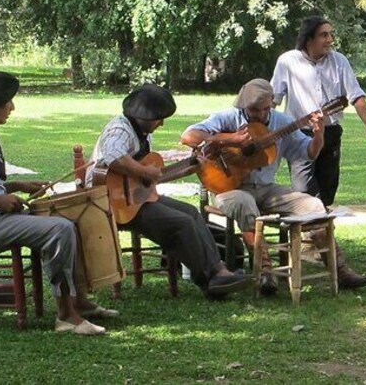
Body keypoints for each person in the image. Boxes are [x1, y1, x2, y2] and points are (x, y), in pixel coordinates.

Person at [0, 72, 115, 335]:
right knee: (60, 229)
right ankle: (66, 316)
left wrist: (17, 186)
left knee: (72, 218)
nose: (12, 107)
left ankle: (78, 301)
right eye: (8, 102)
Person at [180, 78, 366, 295]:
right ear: (244, 105)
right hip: (230, 189)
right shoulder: (228, 117)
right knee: (244, 203)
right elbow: (188, 136)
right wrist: (229, 140)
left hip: (266, 189)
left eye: (264, 109)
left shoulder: (282, 122)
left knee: (313, 205)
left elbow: (308, 153)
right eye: (254, 109)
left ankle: (340, 269)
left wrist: (319, 134)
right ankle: (265, 272)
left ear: (271, 105)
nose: (260, 114)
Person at [86, 84, 251, 299]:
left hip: (136, 199)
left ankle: (218, 271)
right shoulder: (120, 129)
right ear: (145, 116)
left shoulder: (143, 133)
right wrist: (144, 172)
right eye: (159, 118)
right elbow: (113, 157)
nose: (162, 123)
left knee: (191, 213)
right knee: (180, 223)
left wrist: (186, 167)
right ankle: (209, 281)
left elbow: (150, 179)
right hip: (111, 203)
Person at [270, 16, 366, 207]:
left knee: (328, 190)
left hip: (330, 134)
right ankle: (316, 234)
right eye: (324, 35)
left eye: (331, 34)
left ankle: (319, 234)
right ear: (308, 38)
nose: (330, 39)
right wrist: (264, 130)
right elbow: (273, 100)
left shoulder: (339, 61)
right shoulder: (287, 61)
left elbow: (356, 97)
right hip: (299, 136)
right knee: (303, 191)